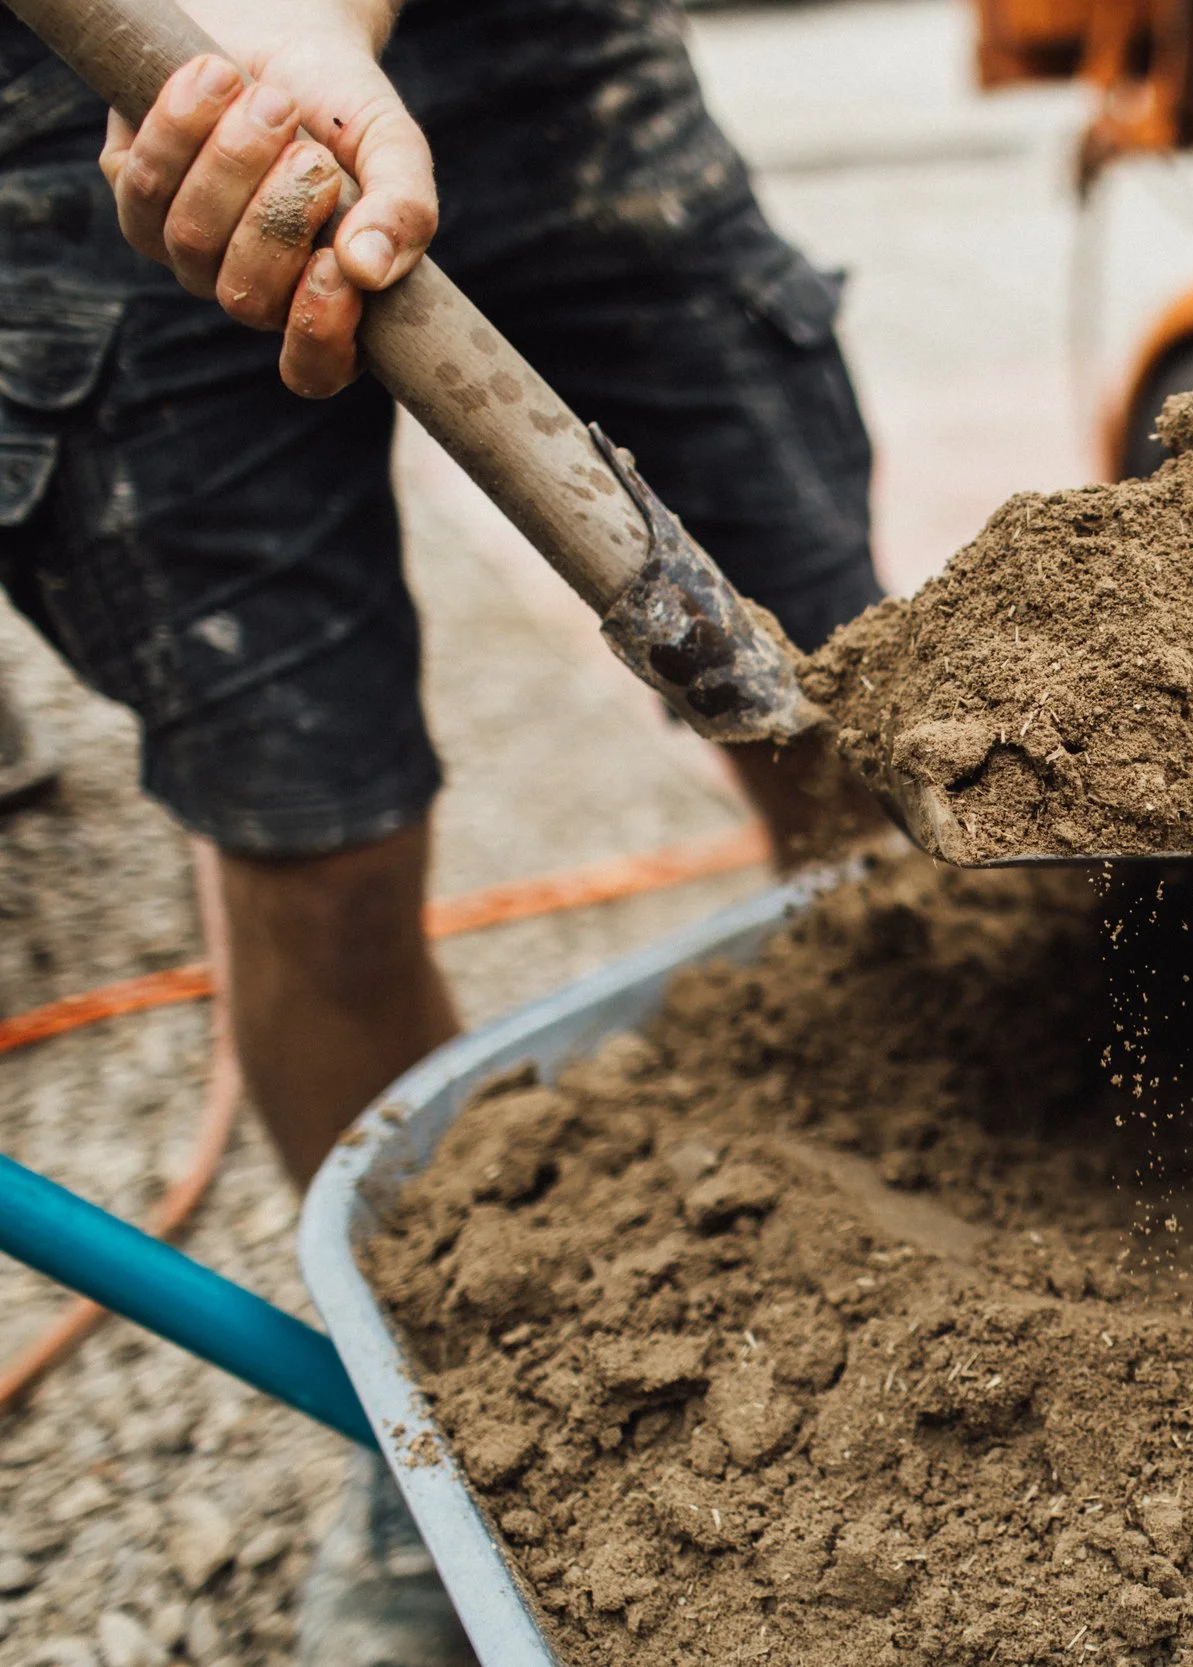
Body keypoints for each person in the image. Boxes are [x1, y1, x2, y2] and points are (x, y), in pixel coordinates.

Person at [0, 0, 882, 1659]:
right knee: (311, 847)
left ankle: (991, 1145)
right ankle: (450, 1420)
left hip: (530, 39)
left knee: (845, 712)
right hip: (73, 107)